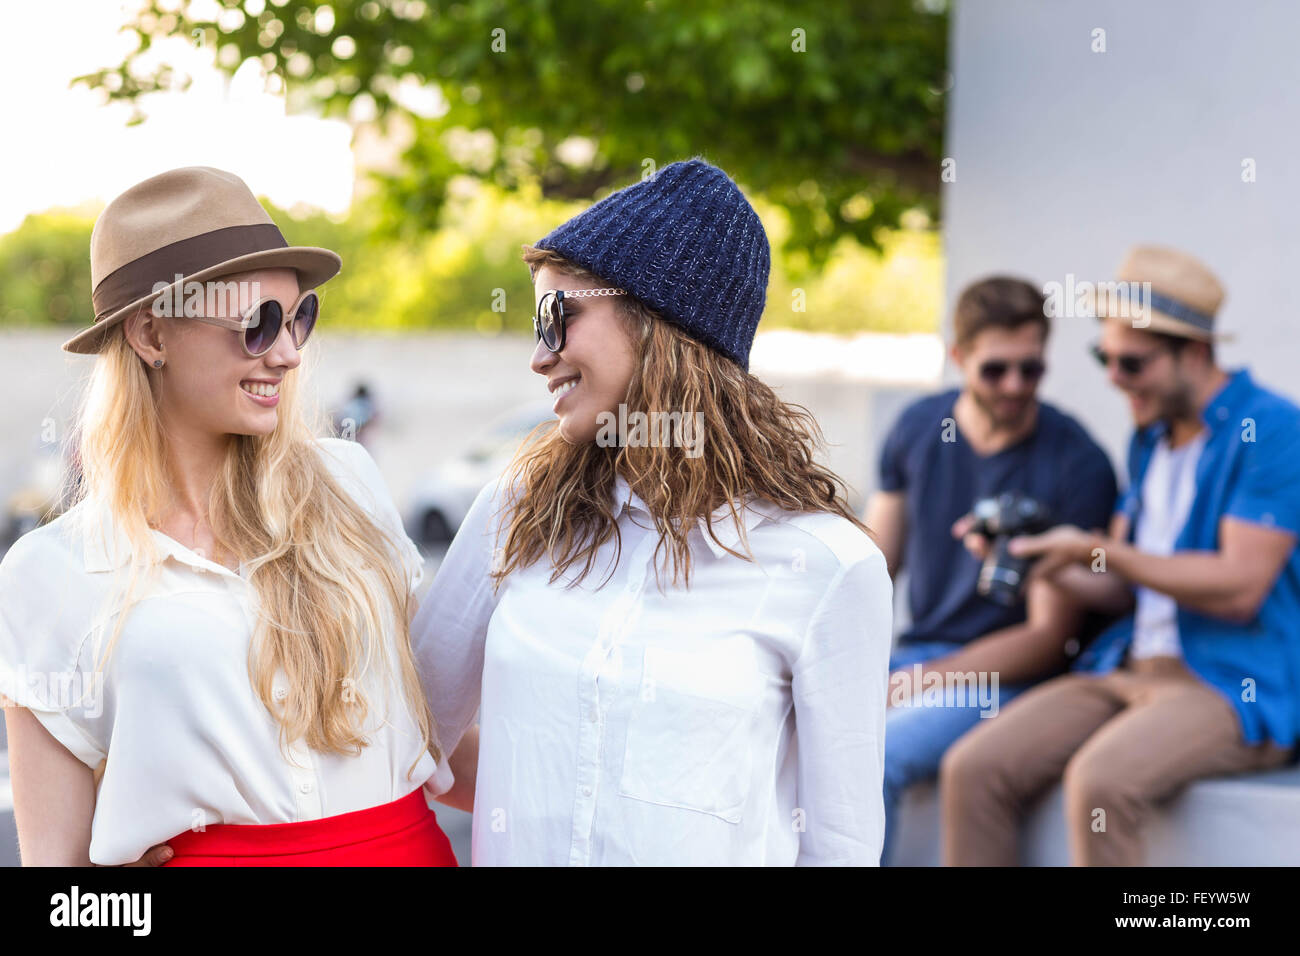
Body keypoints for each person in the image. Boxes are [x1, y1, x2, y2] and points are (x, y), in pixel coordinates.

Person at [413, 158, 893, 865]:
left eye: (558, 316)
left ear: (658, 323)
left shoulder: (827, 565)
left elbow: (840, 848)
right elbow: (411, 741)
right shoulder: (514, 510)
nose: (540, 358)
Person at [0, 167, 472, 866]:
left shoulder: (350, 485)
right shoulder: (49, 573)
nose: (287, 353)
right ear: (150, 334)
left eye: (299, 316)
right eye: (258, 323)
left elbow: (442, 730)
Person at [942, 245, 1300, 866]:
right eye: (1104, 357)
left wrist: (1099, 549)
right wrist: (1049, 563)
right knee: (973, 768)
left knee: (1100, 783)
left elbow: (1241, 587)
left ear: (1194, 352)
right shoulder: (1150, 439)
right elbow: (1121, 584)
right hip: (1128, 667)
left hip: (1228, 686)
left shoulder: (1271, 430)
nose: (1114, 378)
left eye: (1132, 362)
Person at [865, 276, 1117, 864]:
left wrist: (916, 683)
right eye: (996, 369)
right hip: (914, 655)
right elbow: (873, 569)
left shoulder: (1076, 460)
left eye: (1031, 370)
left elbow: (1047, 641)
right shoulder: (917, 428)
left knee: (874, 759)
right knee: (779, 730)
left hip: (1006, 681)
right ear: (959, 357)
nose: (1015, 386)